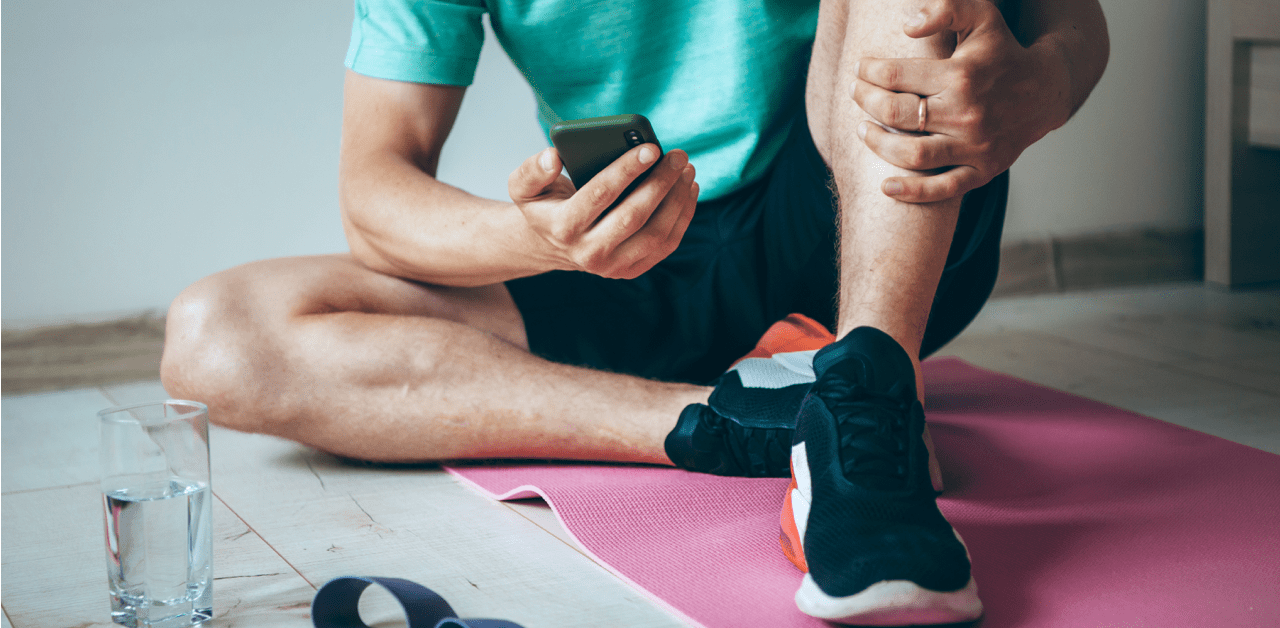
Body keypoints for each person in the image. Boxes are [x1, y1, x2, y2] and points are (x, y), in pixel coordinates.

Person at [161, 0, 1108, 623]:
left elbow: (1071, 22)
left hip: (850, 220)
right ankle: (749, 423)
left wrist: (1047, 85)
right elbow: (375, 191)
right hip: (630, 253)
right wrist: (542, 239)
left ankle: (869, 403)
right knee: (219, 338)